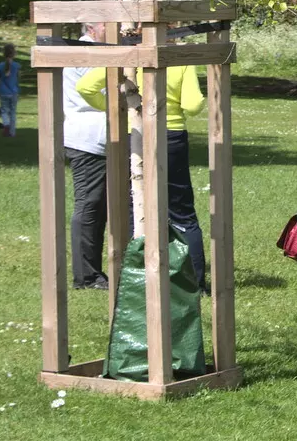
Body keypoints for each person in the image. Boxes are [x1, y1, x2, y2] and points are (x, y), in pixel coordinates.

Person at [77, 59, 209, 288]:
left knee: (133, 208)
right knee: (181, 211)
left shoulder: (126, 57)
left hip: (133, 134)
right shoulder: (180, 61)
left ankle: (135, 280)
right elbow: (194, 104)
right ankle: (193, 282)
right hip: (171, 136)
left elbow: (85, 87)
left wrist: (113, 107)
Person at [64, 22, 113, 289]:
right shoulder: (83, 53)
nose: (114, 28)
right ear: (92, 27)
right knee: (89, 205)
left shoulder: (97, 50)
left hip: (101, 139)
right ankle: (86, 276)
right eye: (108, 23)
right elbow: (96, 90)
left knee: (99, 207)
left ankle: (95, 271)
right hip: (87, 140)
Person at [0, 41, 20, 137]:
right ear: (13, 53)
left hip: (3, 92)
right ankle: (12, 132)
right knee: (13, 112)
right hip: (14, 92)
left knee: (4, 111)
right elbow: (18, 78)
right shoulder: (16, 66)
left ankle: (6, 125)